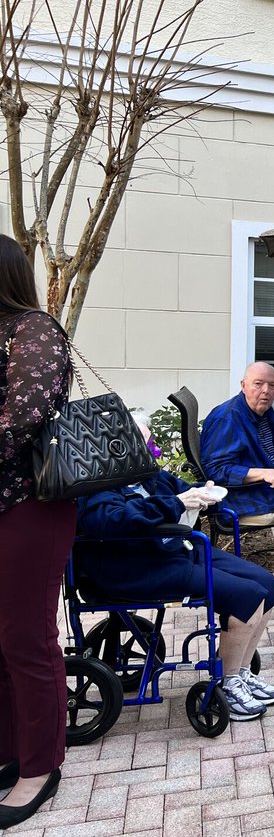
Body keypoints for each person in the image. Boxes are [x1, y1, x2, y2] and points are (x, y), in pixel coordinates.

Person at [74, 415, 274, 722]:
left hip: (171, 552)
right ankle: (226, 685)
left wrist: (202, 492)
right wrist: (176, 503)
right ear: (120, 447)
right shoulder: (99, 483)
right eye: (146, 443)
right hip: (134, 567)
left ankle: (239, 673)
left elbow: (177, 489)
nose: (153, 448)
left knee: (266, 585)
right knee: (247, 597)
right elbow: (108, 520)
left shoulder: (145, 474)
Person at [0, 235, 74, 829]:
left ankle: (40, 766)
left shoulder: (34, 331)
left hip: (31, 502)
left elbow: (21, 416)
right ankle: (9, 751)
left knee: (26, 637)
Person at [199, 362, 274, 529]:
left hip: (269, 491)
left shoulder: (264, 411)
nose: (266, 390)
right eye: (258, 384)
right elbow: (215, 470)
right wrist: (265, 473)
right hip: (245, 503)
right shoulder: (227, 419)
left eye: (272, 385)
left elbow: (263, 455)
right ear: (243, 385)